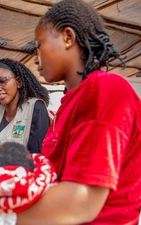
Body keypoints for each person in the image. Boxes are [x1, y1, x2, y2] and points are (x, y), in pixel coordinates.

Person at [16, 0, 141, 224]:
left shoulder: (105, 89)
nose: (36, 58)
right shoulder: (69, 102)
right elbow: (54, 170)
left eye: (39, 45)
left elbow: (81, 202)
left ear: (68, 37)